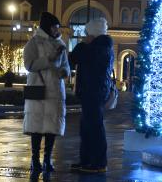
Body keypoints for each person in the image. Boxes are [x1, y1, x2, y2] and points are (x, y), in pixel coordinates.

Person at [23, 12, 70, 173]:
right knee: (36, 128)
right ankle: (35, 159)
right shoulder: (33, 43)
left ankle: (47, 159)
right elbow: (29, 65)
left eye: (58, 27)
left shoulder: (60, 44)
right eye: (55, 27)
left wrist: (65, 72)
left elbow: (66, 65)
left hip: (55, 90)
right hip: (38, 88)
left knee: (52, 128)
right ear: (47, 27)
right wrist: (49, 59)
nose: (58, 30)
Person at [69, 17, 114, 173]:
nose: (84, 36)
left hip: (94, 92)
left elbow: (74, 57)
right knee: (87, 127)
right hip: (92, 91)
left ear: (93, 34)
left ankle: (98, 163)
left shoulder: (97, 48)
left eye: (86, 33)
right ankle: (87, 160)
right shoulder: (100, 46)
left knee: (94, 128)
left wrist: (82, 45)